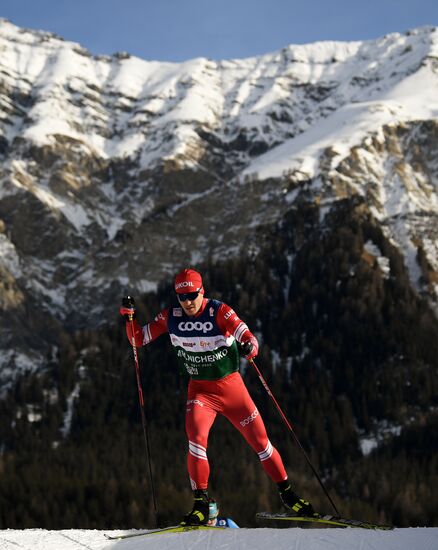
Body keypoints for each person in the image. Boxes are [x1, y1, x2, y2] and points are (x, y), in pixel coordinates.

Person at [120, 268, 316, 525]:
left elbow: (247, 335)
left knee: (261, 444)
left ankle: (288, 495)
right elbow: (138, 339)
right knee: (196, 439)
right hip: (200, 391)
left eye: (192, 294)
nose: (188, 301)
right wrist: (129, 318)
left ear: (202, 291)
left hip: (232, 389)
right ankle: (201, 503)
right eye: (182, 296)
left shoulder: (219, 311)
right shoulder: (171, 316)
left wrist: (249, 347)